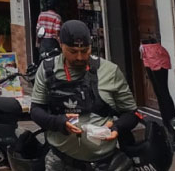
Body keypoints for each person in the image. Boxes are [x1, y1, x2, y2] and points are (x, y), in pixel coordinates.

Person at [29, 20, 139, 171]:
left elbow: (133, 114)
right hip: (60, 160)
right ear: (61, 44)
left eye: (85, 50)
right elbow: (35, 110)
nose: (80, 57)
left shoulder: (110, 71)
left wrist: (117, 126)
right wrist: (58, 122)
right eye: (73, 52)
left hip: (105, 163)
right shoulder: (47, 69)